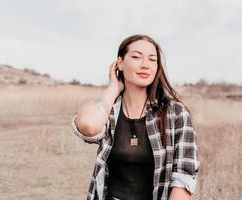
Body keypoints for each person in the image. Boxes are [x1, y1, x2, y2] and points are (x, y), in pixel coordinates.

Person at [71, 34, 200, 200]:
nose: (145, 65)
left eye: (152, 59)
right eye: (136, 57)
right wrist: (113, 88)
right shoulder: (109, 110)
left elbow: (184, 177)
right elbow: (88, 126)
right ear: (120, 63)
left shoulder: (175, 112)